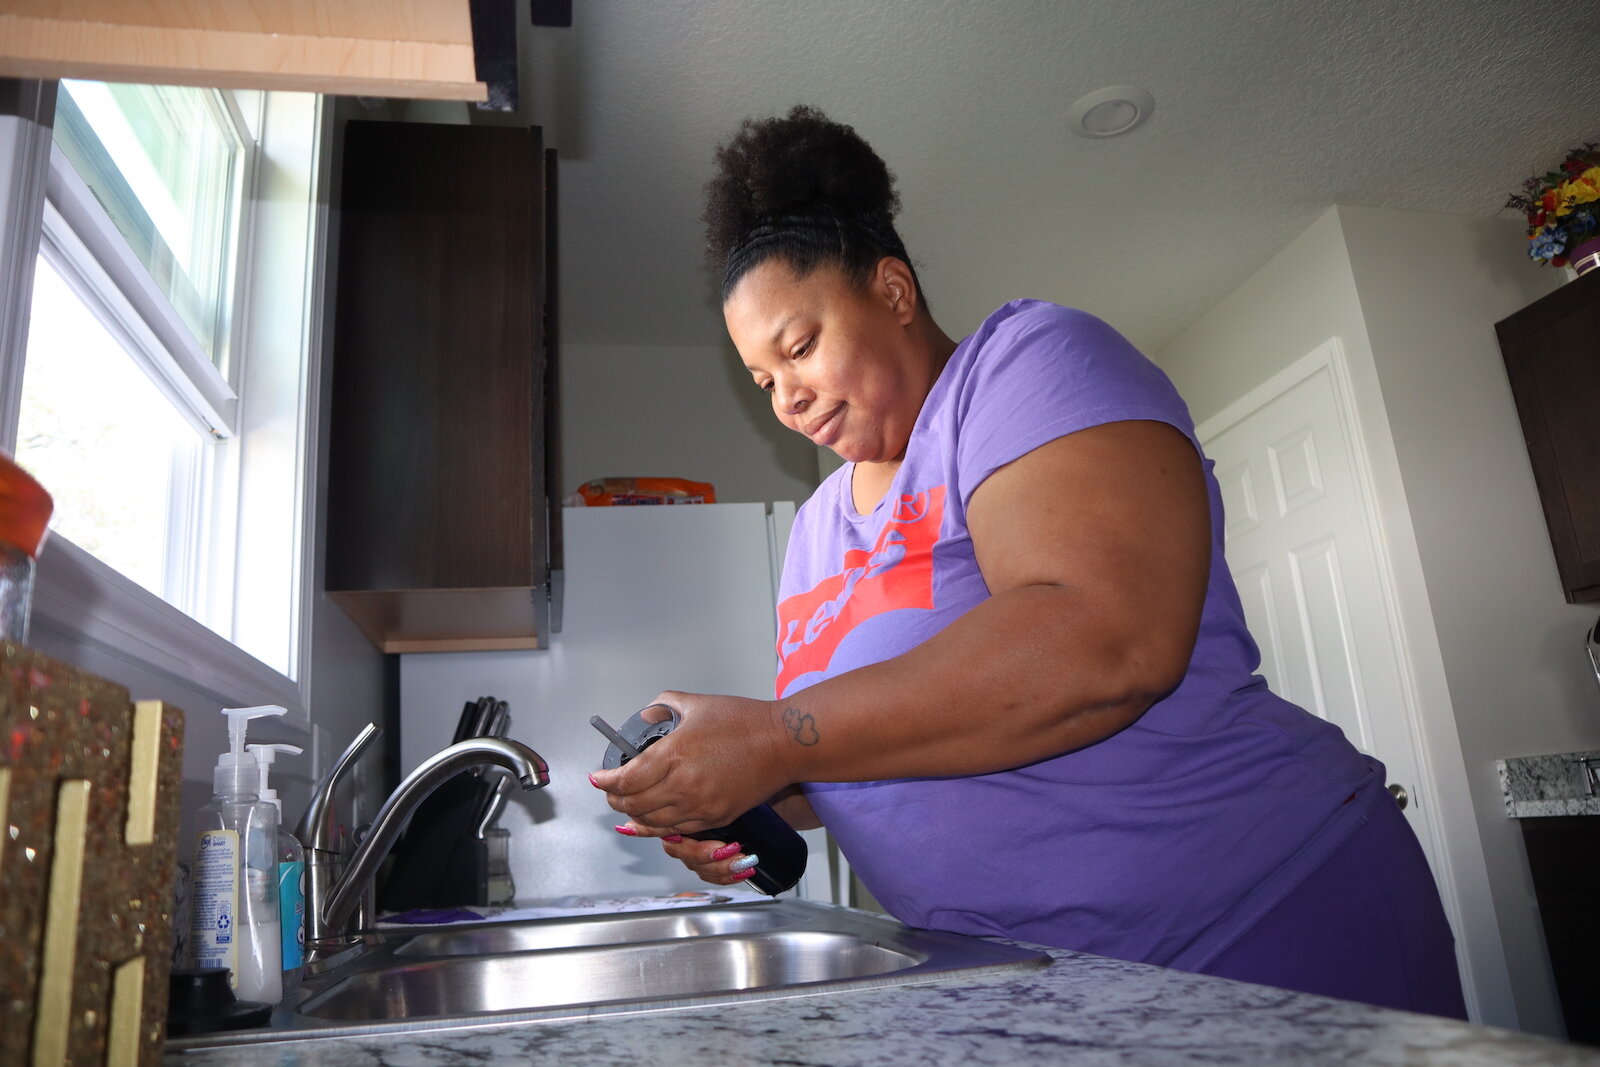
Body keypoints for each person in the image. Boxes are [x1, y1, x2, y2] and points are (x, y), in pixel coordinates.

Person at [590, 105, 1466, 1018]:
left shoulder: (1024, 366)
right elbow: (883, 741)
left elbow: (1103, 641)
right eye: (762, 381)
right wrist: (740, 789)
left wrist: (771, 737)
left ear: (892, 290)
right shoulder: (813, 531)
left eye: (800, 348)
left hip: (1259, 924)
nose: (787, 398)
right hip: (1037, 990)